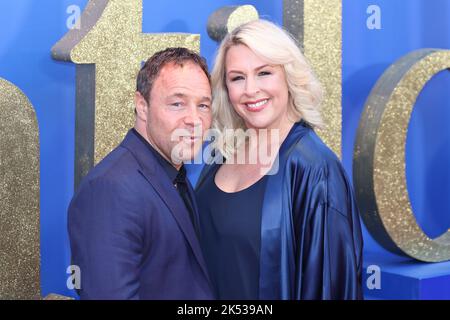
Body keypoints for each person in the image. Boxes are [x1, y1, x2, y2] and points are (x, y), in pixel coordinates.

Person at [196, 19, 363, 300]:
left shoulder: (315, 169)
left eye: (264, 73)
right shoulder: (221, 155)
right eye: (237, 77)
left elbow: (329, 289)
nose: (250, 90)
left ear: (288, 76)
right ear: (225, 88)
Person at [68, 47, 214, 299]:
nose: (194, 119)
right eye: (177, 103)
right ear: (142, 106)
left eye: (203, 105)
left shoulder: (173, 173)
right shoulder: (109, 189)